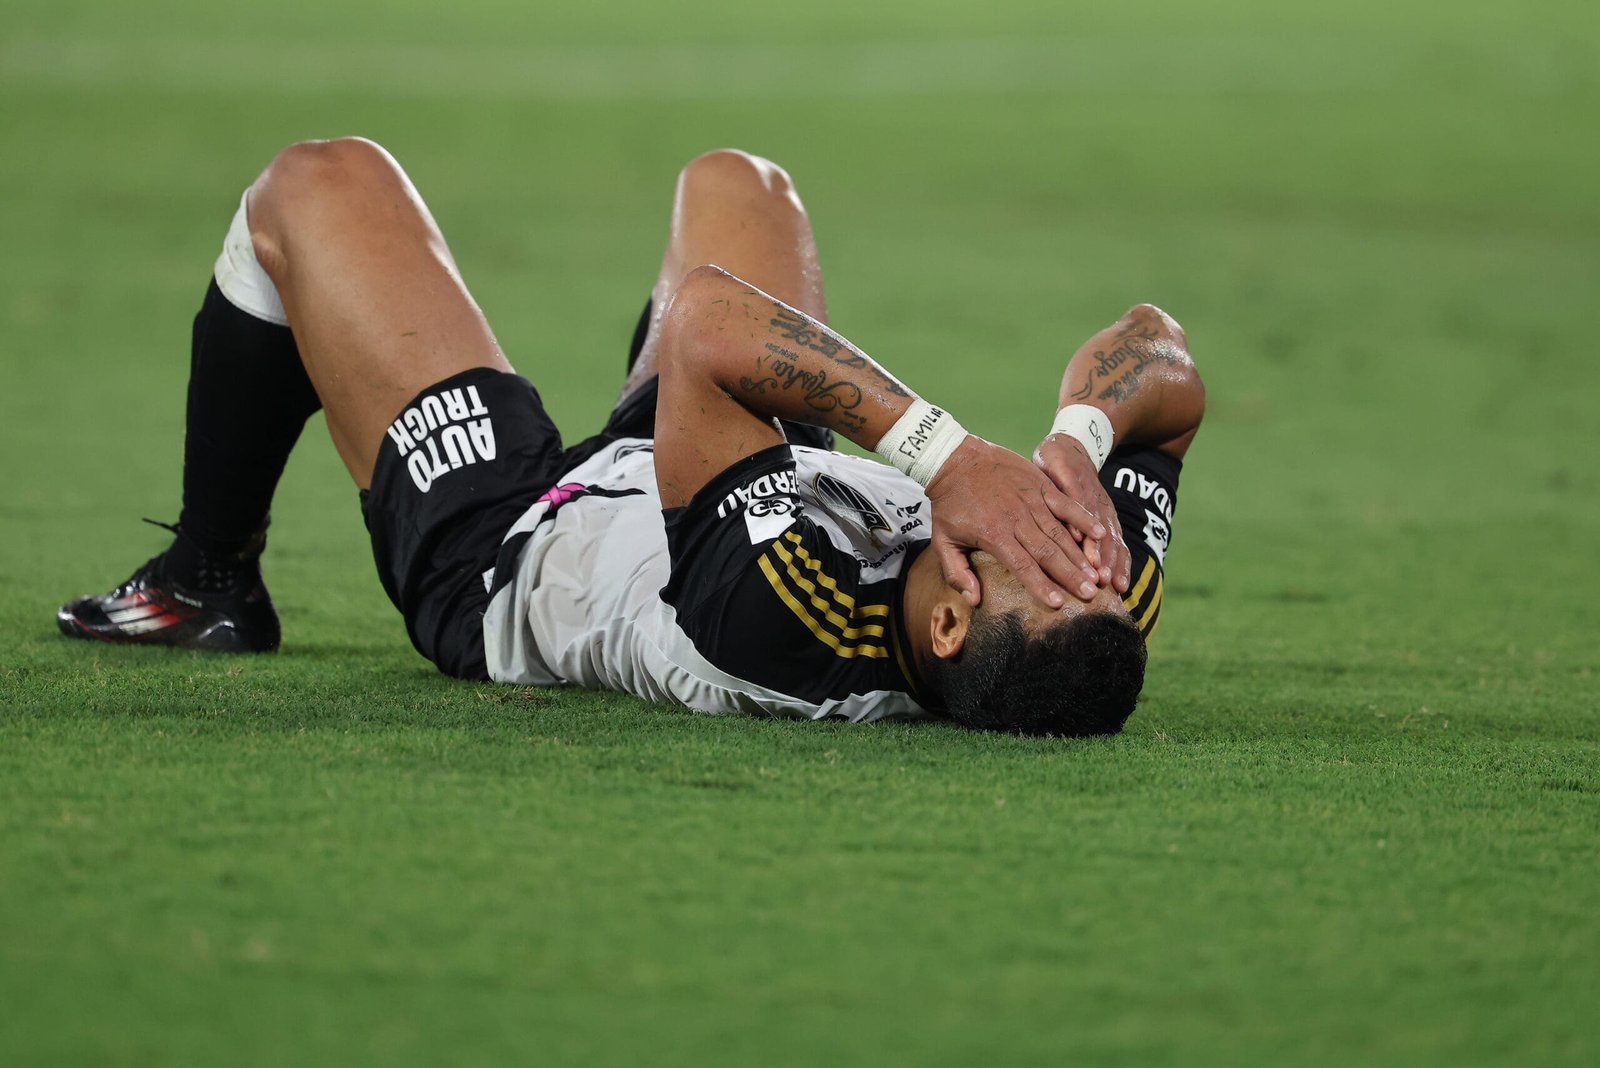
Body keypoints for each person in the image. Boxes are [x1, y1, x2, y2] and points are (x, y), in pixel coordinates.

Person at [57, 139, 1204, 735]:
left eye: (1033, 549)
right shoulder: (1091, 598)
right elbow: (1164, 361)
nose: (1054, 532)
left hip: (516, 546)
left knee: (315, 183)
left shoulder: (785, 621)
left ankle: (206, 579)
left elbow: (707, 323)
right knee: (743, 182)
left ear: (946, 624)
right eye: (1079, 550)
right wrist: (1075, 441)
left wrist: (949, 458)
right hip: (725, 467)